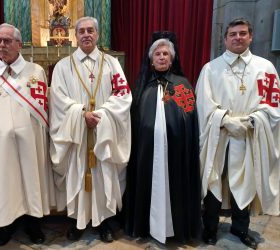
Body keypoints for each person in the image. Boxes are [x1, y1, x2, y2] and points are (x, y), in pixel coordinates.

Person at [196, 18, 280, 249]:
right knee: (215, 181)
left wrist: (253, 120)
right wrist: (225, 120)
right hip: (220, 136)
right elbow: (203, 104)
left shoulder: (265, 68)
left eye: (243, 33)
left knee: (245, 184)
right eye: (232, 34)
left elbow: (272, 104)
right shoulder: (211, 68)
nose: (238, 38)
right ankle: (210, 229)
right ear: (225, 39)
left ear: (251, 37)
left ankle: (240, 228)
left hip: (250, 135)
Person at [0, 23, 55, 246]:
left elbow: (42, 110)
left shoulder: (35, 71)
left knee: (30, 179)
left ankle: (33, 224)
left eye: (7, 41)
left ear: (19, 44)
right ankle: (5, 225)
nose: (2, 45)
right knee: (4, 182)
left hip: (30, 142)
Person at [49, 16, 132, 243]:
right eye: (82, 31)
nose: (86, 34)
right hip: (76, 135)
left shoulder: (112, 64)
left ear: (97, 34)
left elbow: (123, 94)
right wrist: (80, 114)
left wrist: (102, 115)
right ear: (75, 36)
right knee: (78, 176)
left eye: (90, 30)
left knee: (103, 175)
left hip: (103, 133)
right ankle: (79, 221)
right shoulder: (63, 66)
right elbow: (57, 99)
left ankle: (103, 222)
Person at [122, 32, 201, 244]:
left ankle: (174, 229)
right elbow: (134, 122)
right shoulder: (141, 87)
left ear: (172, 58)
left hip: (175, 152)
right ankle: (145, 226)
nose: (162, 57)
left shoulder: (183, 85)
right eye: (158, 53)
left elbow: (190, 120)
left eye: (166, 53)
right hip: (146, 152)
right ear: (151, 58)